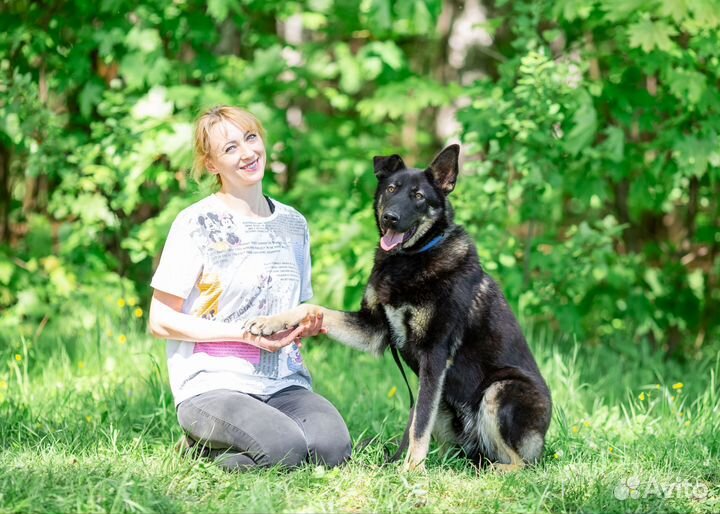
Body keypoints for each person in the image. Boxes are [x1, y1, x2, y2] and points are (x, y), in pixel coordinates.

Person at [148, 105, 352, 471]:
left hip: (283, 383)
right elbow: (159, 320)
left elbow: (294, 306)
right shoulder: (195, 223)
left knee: (332, 450)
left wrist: (304, 324)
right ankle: (200, 448)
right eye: (229, 148)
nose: (247, 153)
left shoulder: (293, 224)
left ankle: (249, 441)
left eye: (251, 138)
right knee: (284, 449)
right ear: (211, 164)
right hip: (213, 387)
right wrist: (245, 334)